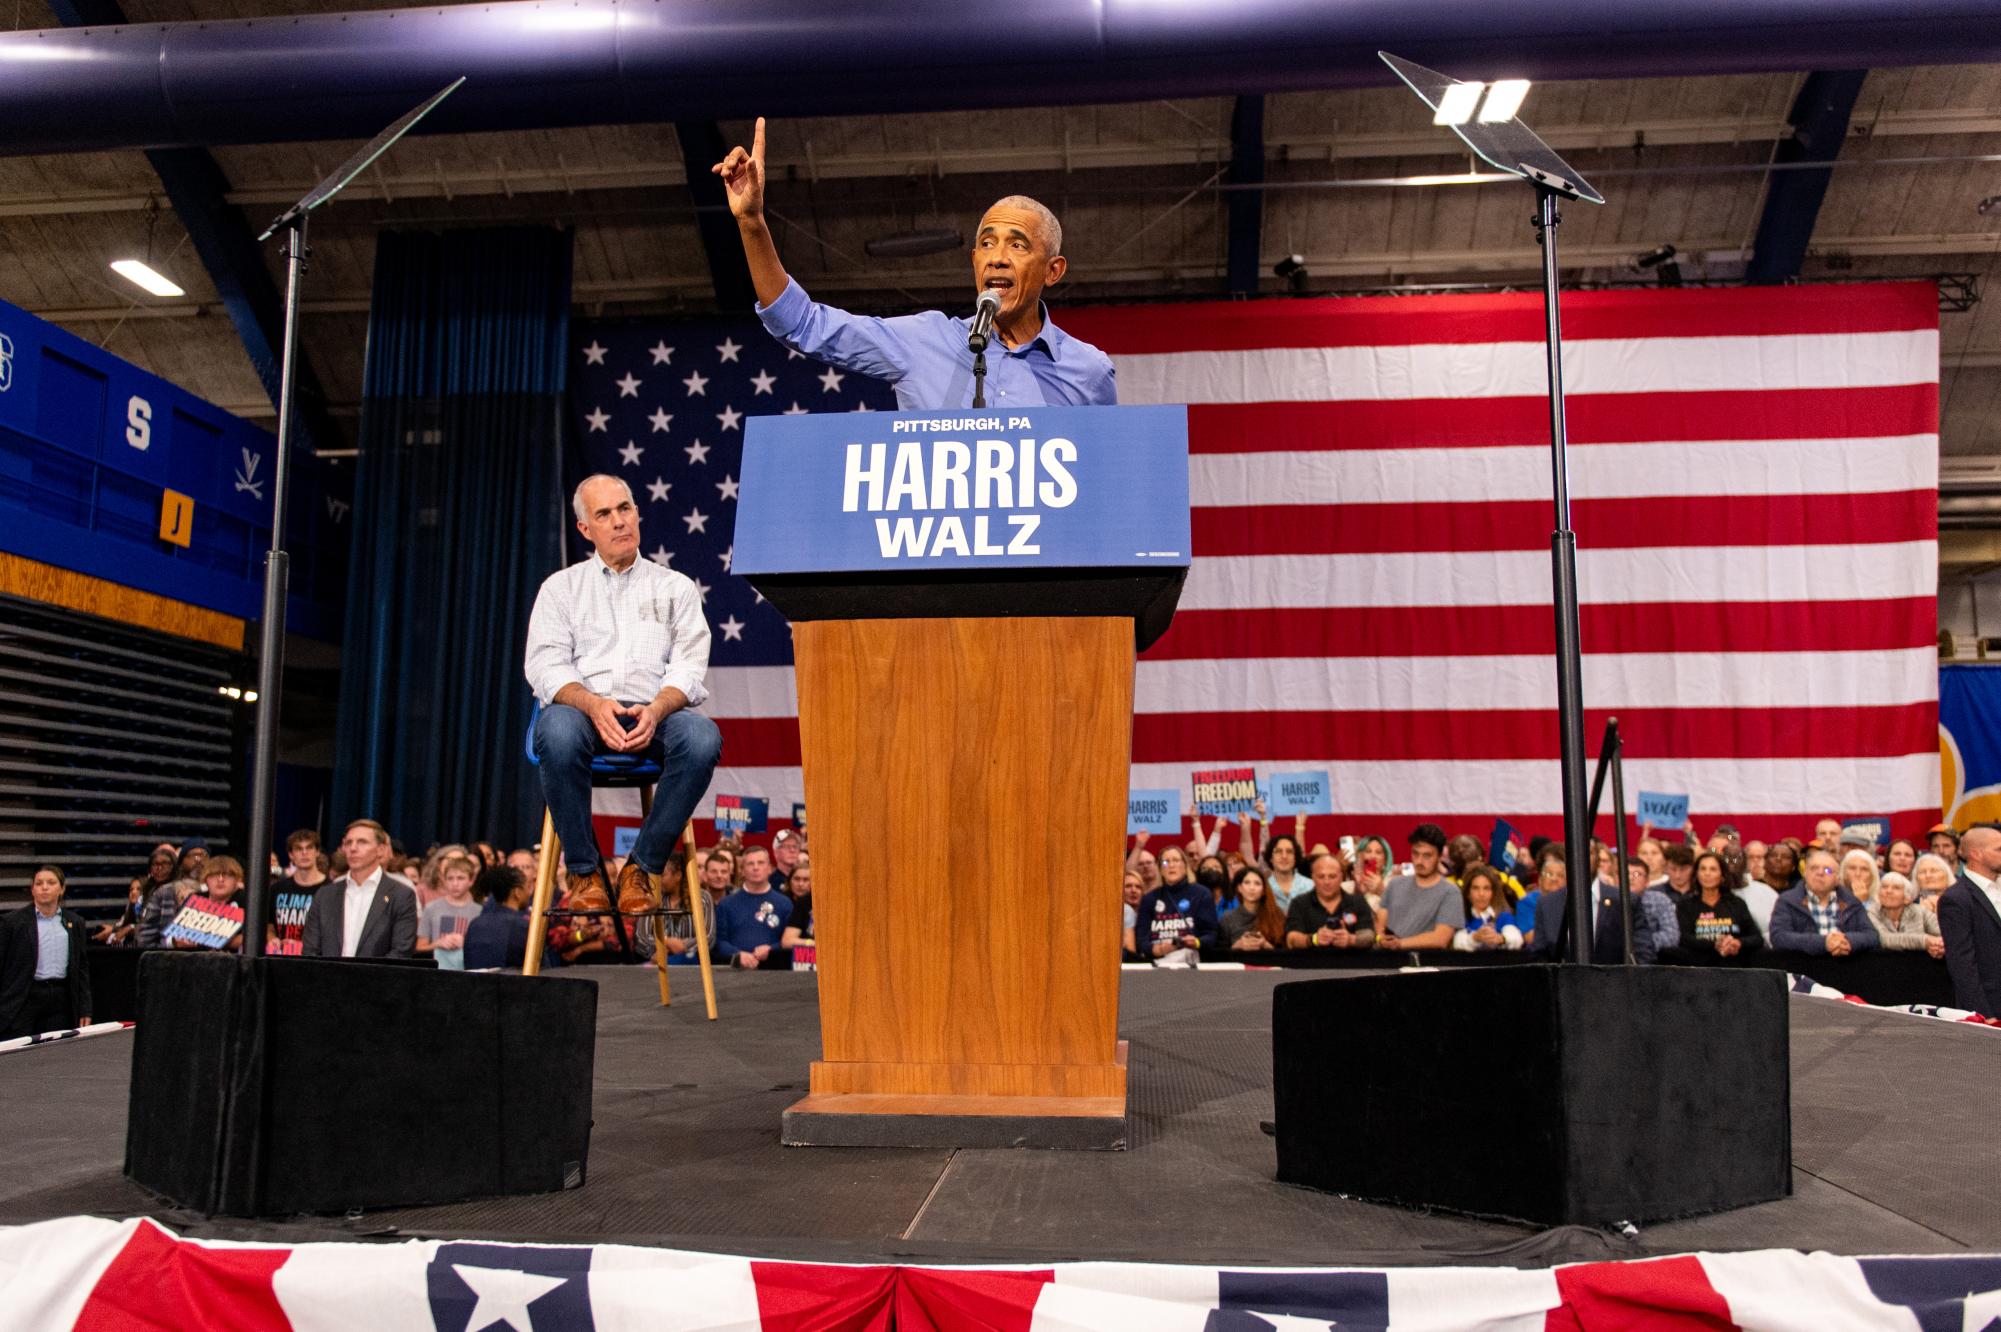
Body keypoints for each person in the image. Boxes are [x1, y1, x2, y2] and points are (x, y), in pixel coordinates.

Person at [717, 118, 1116, 411]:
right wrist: (752, 224)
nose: (997, 257)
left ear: (1053, 270)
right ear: (974, 260)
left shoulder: (1088, 372)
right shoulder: (922, 342)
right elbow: (802, 323)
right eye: (987, 243)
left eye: (1018, 245)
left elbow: (1106, 486)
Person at [525, 473, 724, 919]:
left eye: (625, 509)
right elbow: (544, 667)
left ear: (637, 513)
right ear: (585, 529)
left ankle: (642, 867)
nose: (619, 521)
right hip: (583, 714)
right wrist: (594, 705)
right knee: (555, 729)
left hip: (656, 713)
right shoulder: (560, 589)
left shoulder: (675, 587)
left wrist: (656, 708)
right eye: (604, 514)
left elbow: (690, 668)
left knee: (702, 738)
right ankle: (583, 870)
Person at [300, 819, 419, 959]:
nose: (353, 848)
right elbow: (310, 951)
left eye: (362, 842)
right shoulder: (325, 895)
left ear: (380, 850)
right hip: (328, 979)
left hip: (378, 979)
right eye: (348, 843)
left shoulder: (401, 895)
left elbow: (401, 952)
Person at [0, 867, 92, 1039]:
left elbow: (81, 969)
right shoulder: (12, 922)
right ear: (32, 889)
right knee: (19, 1050)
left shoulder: (75, 922)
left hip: (60, 998)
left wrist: (85, 1007)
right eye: (39, 883)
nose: (44, 887)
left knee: (54, 1053)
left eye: (51, 883)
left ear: (62, 889)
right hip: (25, 997)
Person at [1938, 824, 2001, 1017]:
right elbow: (1962, 965)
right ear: (1976, 854)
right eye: (1998, 849)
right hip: (1990, 1008)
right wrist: (1983, 1015)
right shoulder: (1956, 899)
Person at [1770, 848, 1879, 955]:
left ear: (1837, 879)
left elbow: (1872, 936)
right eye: (1814, 868)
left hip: (1845, 967)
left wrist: (1847, 941)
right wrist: (1824, 943)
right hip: (1802, 968)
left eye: (1828, 870)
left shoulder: (1851, 901)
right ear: (1805, 874)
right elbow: (1779, 937)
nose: (1820, 873)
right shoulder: (1788, 900)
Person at [1376, 825, 1464, 951]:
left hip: (1427, 964)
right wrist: (1380, 938)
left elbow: (1441, 938)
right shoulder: (1395, 884)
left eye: (1427, 855)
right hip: (1385, 961)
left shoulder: (1450, 892)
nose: (1419, 861)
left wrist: (1399, 943)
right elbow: (1380, 922)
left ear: (1439, 856)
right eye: (1415, 853)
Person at [1675, 851, 1764, 961]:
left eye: (1713, 869)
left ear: (1722, 875)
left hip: (1734, 965)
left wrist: (1737, 943)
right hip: (1698, 966)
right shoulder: (1686, 905)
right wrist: (1715, 944)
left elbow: (1757, 938)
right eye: (1703, 869)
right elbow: (1684, 938)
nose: (1707, 873)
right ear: (1696, 874)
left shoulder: (1736, 903)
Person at [1283, 853, 1375, 951]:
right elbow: (1291, 939)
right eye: (1321, 877)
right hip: (1312, 964)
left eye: (1332, 876)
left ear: (1341, 877)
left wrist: (1350, 939)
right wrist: (1315, 939)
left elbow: (1369, 936)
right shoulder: (1299, 903)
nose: (1327, 882)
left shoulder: (1357, 902)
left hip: (1349, 964)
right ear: (1313, 877)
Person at [714, 861, 792, 970]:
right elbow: (719, 941)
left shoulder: (785, 903)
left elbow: (789, 940)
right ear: (742, 871)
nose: (756, 868)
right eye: (750, 863)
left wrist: (771, 949)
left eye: (761, 863)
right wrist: (738, 954)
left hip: (775, 972)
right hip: (735, 973)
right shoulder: (726, 903)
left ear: (770, 869)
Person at [1136, 867, 1220, 960]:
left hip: (1193, 960)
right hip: (1156, 962)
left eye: (1176, 860)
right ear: (1160, 870)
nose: (1171, 865)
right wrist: (1155, 949)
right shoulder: (1149, 898)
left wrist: (1196, 942)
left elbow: (1211, 934)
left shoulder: (1201, 894)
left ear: (1185, 866)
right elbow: (1141, 939)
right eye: (1166, 862)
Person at [167, 856, 248, 952]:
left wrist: (205, 940)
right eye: (214, 875)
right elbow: (169, 939)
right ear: (205, 879)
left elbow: (255, 937)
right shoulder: (194, 899)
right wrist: (175, 941)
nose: (220, 879)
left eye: (228, 875)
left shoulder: (247, 901)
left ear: (237, 880)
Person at [418, 854, 483, 970]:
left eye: (460, 878)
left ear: (471, 880)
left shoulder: (479, 912)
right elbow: (419, 947)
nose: (455, 884)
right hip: (438, 972)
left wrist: (466, 943)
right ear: (444, 880)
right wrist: (438, 943)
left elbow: (484, 949)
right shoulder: (431, 908)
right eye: (450, 878)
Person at [463, 867, 534, 970]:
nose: (529, 893)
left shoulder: (475, 924)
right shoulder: (523, 927)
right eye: (527, 888)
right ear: (517, 892)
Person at [1868, 872, 1943, 958]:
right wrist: (1925, 941)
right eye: (1884, 887)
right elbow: (1885, 939)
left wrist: (1939, 947)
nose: (1888, 891)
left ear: (1907, 898)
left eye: (1896, 888)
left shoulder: (1920, 911)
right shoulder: (1872, 911)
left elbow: (1943, 933)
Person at [1452, 865, 1522, 951]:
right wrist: (1475, 938)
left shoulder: (1503, 916)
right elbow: (1457, 943)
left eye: (1486, 888)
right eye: (1475, 888)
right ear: (1468, 893)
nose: (1481, 894)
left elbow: (1516, 938)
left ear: (1493, 892)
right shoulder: (1461, 918)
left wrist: (1500, 938)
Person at [1219, 866, 1285, 952]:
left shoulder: (1276, 915)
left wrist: (1264, 944)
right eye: (1247, 883)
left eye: (1257, 883)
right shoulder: (1228, 918)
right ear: (1240, 888)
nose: (1252, 888)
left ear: (1264, 891)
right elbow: (1220, 954)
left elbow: (1284, 954)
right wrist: (1237, 945)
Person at [775, 863, 811, 953]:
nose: (800, 884)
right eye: (796, 879)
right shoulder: (779, 902)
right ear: (789, 881)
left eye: (806, 880)